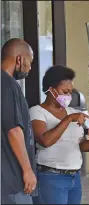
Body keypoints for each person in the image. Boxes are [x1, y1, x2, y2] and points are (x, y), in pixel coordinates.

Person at [29, 65, 89, 204]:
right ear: (51, 89)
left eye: (70, 92)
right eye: (65, 91)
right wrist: (68, 119)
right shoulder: (37, 112)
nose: (68, 96)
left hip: (74, 176)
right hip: (51, 176)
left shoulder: (72, 111)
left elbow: (80, 145)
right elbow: (45, 141)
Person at [1, 38, 37, 204]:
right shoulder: (8, 85)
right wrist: (27, 169)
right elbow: (13, 130)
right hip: (11, 179)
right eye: (30, 61)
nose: (30, 67)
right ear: (19, 59)